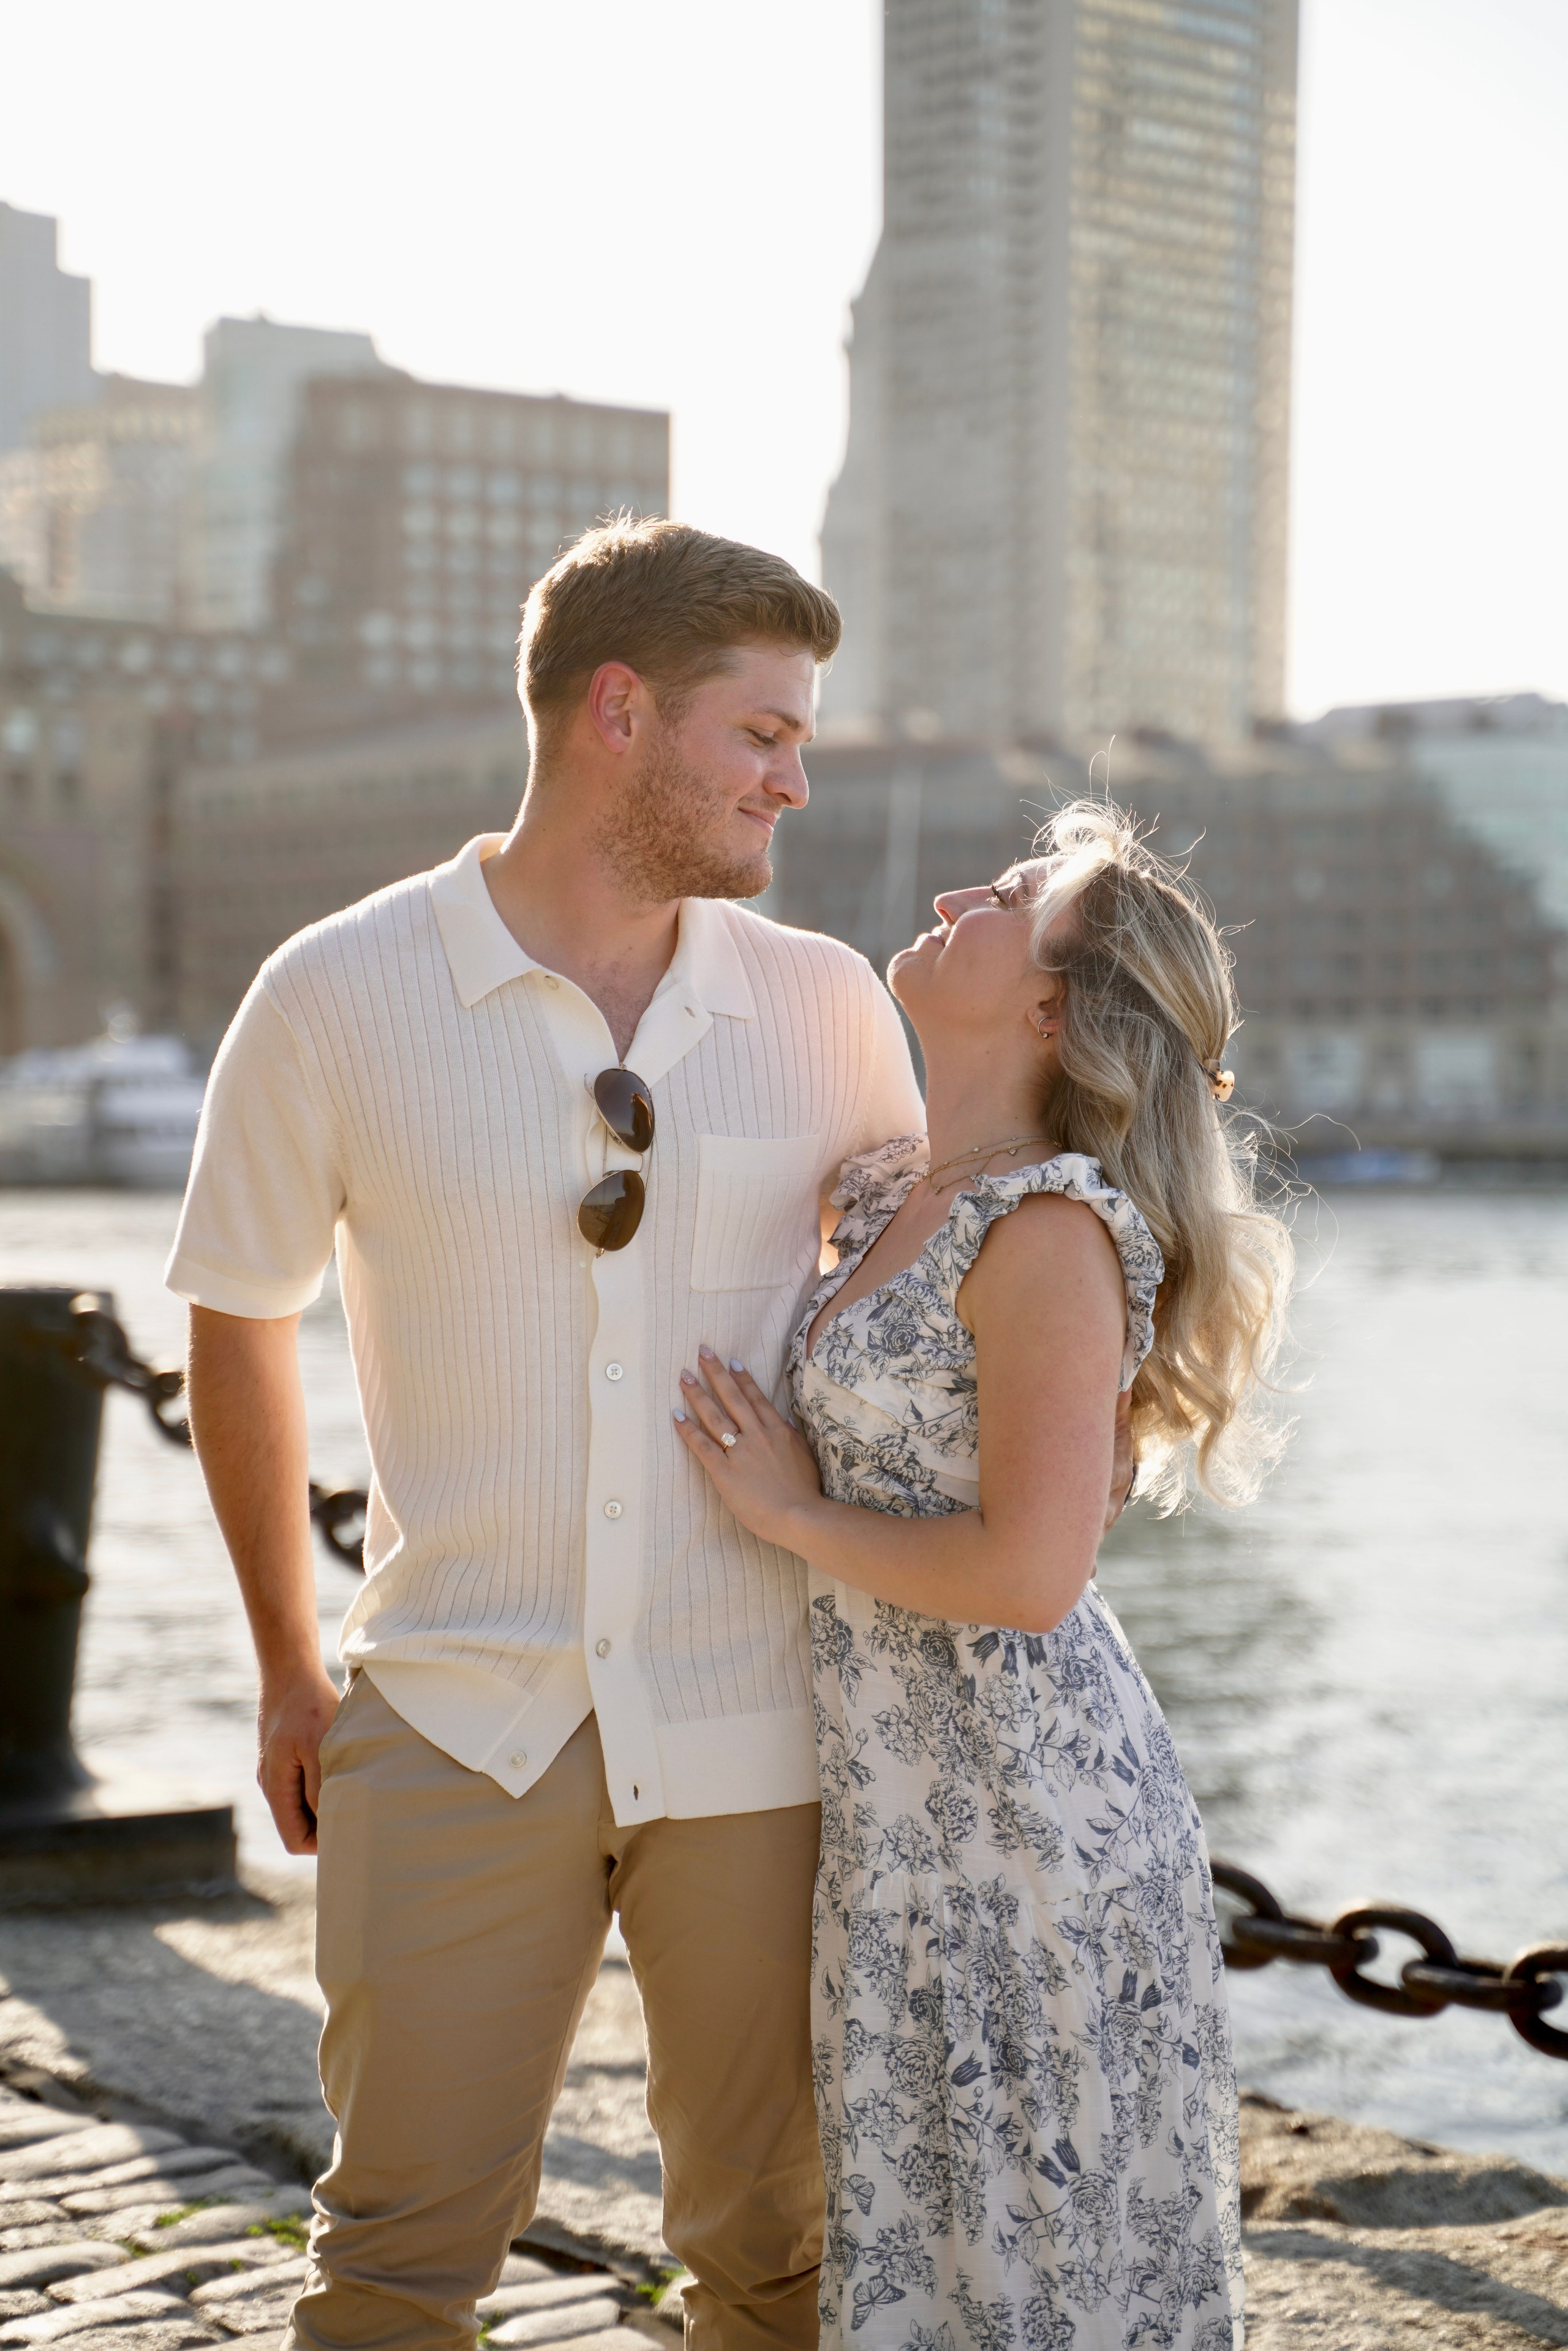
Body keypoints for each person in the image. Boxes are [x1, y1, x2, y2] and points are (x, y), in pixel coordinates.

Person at [168, 520, 940, 2351]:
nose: (794, 779)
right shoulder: (334, 992)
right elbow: (237, 1318)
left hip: (764, 1718)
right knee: (394, 2254)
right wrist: (291, 1667)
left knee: (785, 2255)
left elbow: (938, 1316)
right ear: (620, 710)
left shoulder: (828, 1005)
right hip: (452, 1711)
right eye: (761, 733)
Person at [676, 801, 1293, 2351]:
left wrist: (787, 1509)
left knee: (1036, 2269)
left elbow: (1030, 1571)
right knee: (933, 2258)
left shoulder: (1050, 1231)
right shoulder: (890, 1191)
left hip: (1026, 1829)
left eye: (1010, 896)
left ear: (1048, 1006)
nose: (957, 891)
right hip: (908, 1824)